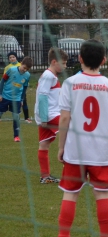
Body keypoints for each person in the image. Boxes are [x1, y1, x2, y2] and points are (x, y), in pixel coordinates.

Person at [51, 39, 108, 237]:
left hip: (76, 152)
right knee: (102, 195)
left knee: (70, 196)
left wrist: (61, 147)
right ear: (104, 60)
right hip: (101, 152)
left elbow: (64, 118)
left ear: (80, 59)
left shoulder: (69, 83)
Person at [34, 47, 68, 183]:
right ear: (54, 62)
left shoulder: (50, 76)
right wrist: (43, 118)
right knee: (73, 131)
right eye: (63, 63)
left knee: (44, 144)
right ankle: (72, 175)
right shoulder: (48, 76)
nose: (65, 66)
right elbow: (42, 97)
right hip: (49, 115)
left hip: (46, 114)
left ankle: (45, 177)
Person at [0, 55, 32, 142]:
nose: (25, 70)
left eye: (27, 69)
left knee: (16, 117)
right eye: (24, 67)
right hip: (6, 96)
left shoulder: (27, 75)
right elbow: (2, 81)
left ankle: (16, 136)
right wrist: (0, 94)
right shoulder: (11, 70)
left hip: (16, 99)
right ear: (21, 63)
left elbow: (25, 87)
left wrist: (22, 99)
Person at [5, 52, 32, 123]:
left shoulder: (21, 65)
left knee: (23, 102)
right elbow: (5, 79)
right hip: (11, 89)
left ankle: (27, 117)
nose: (12, 59)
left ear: (16, 57)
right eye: (10, 57)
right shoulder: (7, 68)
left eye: (13, 57)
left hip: (20, 88)